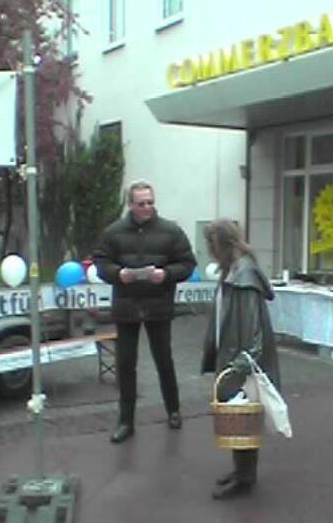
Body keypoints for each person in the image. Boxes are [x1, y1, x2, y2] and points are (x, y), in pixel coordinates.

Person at [94, 180, 196, 443]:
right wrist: (118, 274)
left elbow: (187, 263)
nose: (147, 207)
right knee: (126, 364)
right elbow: (101, 262)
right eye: (142, 203)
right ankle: (126, 421)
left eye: (150, 202)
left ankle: (174, 411)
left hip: (158, 304)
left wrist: (166, 274)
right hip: (127, 306)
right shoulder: (113, 232)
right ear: (131, 205)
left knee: (164, 360)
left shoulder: (171, 231)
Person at [201, 220, 281, 500]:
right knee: (238, 412)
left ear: (221, 244)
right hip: (235, 353)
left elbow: (252, 325)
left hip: (241, 358)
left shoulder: (243, 274)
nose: (210, 252)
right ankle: (241, 470)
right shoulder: (234, 270)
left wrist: (244, 360)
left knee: (243, 412)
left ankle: (245, 476)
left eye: (211, 245)